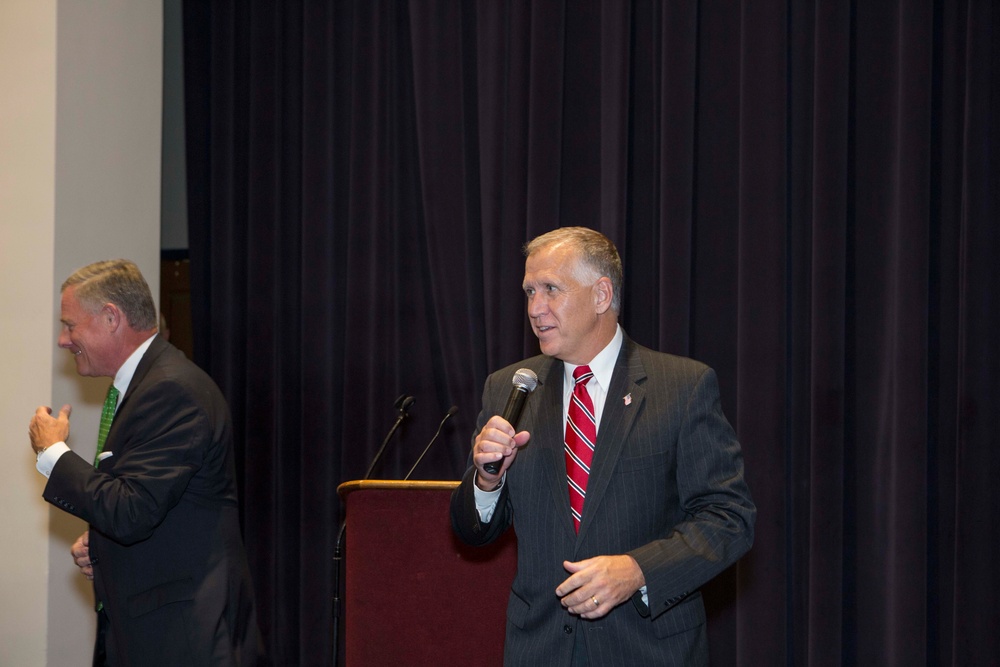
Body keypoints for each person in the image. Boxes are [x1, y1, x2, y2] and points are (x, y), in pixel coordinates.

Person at [450, 227, 755, 666]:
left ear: (601, 294)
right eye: (529, 292)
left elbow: (730, 518)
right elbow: (472, 532)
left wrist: (639, 571)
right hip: (540, 650)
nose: (536, 309)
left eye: (551, 289)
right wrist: (486, 478)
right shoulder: (510, 389)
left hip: (648, 650)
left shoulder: (681, 387)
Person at [28, 259, 264, 666]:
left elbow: (131, 511)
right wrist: (101, 545)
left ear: (110, 318)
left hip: (185, 639)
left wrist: (53, 454)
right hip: (154, 634)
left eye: (70, 325)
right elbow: (150, 503)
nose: (63, 340)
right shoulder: (146, 387)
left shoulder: (171, 389)